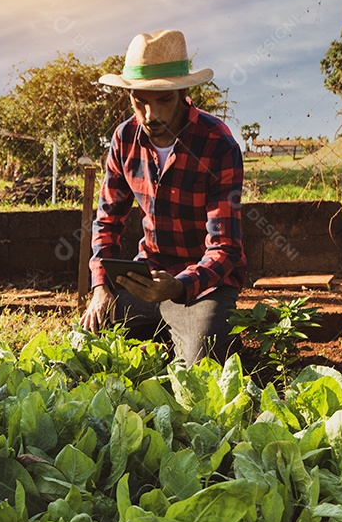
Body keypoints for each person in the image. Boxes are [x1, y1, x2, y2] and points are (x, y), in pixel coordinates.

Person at [80, 29, 246, 366]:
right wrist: (101, 287)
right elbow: (107, 221)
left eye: (163, 100)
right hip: (148, 278)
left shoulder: (217, 145)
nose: (150, 115)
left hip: (203, 286)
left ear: (183, 92)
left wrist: (178, 286)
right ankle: (168, 330)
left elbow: (226, 249)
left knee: (204, 367)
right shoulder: (124, 138)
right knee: (88, 348)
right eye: (139, 101)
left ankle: (197, 331)